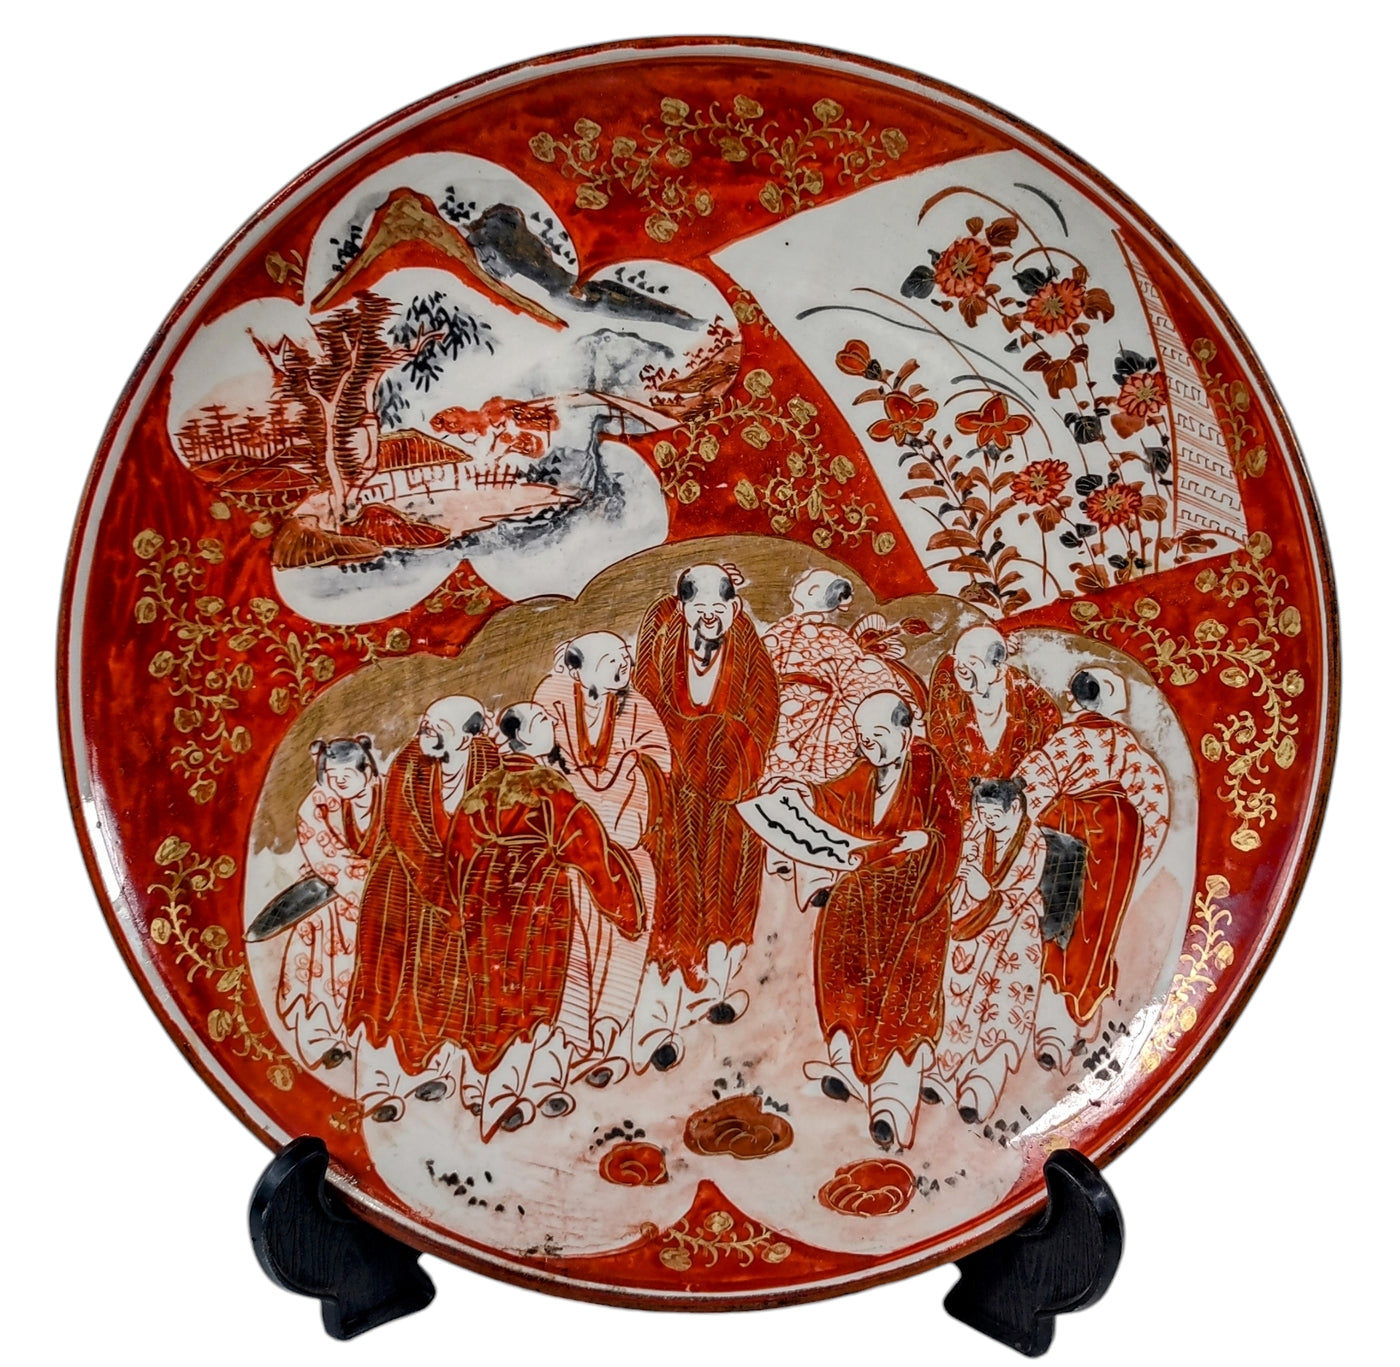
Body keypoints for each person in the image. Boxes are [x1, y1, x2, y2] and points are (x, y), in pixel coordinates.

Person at [449, 702, 646, 1138]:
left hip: (487, 902)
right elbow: (589, 849)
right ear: (521, 736)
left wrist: (462, 911)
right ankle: (537, 1082)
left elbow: (457, 857)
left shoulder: (480, 794)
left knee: (493, 988)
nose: (552, 723)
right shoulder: (549, 790)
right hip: (539, 897)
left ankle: (486, 1087)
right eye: (542, 721)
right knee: (548, 984)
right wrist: (622, 907)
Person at [631, 564, 779, 1067]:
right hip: (675, 796)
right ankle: (660, 1021)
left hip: (727, 795)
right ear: (683, 609)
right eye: (699, 609)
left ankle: (715, 990)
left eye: (720, 608)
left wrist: (729, 755)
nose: (710, 618)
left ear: (734, 609)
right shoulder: (662, 643)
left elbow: (763, 715)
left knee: (726, 894)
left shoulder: (748, 651)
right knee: (674, 899)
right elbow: (646, 707)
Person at [801, 691, 960, 1150]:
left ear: (905, 734)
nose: (868, 743)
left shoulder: (927, 768)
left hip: (913, 907)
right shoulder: (866, 771)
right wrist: (803, 794)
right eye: (862, 735)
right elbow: (833, 798)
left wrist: (925, 841)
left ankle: (893, 1108)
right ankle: (847, 1068)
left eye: (878, 734)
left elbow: (951, 828)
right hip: (861, 906)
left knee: (901, 1005)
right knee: (847, 981)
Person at [533, 632, 670, 1085]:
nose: (622, 665)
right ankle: (571, 1037)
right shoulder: (552, 698)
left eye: (624, 657)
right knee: (573, 936)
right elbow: (542, 765)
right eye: (610, 659)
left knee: (626, 937)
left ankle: (610, 1030)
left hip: (626, 846)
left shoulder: (637, 707)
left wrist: (626, 784)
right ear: (576, 669)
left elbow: (659, 766)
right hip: (572, 851)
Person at [344, 696, 501, 1081]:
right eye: (426, 723)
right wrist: (444, 896)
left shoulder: (488, 762)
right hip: (406, 881)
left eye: (438, 728)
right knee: (401, 969)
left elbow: (493, 827)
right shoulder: (410, 762)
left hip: (463, 884)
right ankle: (392, 1064)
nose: (425, 731)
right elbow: (405, 831)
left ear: (466, 737)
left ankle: (451, 1063)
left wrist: (471, 885)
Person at [1014, 667, 1170, 1028]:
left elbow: (1033, 781)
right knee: (1098, 916)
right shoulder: (1125, 742)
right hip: (1118, 834)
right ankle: (1083, 989)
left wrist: (1024, 832)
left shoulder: (1068, 738)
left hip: (1072, 828)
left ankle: (1059, 985)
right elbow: (1152, 795)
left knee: (1061, 909)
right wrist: (1141, 851)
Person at [931, 777, 1048, 1124]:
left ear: (1015, 808)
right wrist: (962, 884)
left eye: (994, 815)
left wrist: (987, 893)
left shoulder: (1033, 842)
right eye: (982, 814)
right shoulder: (976, 833)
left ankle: (982, 1084)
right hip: (971, 923)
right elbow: (956, 874)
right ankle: (944, 1072)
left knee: (999, 1008)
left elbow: (1018, 895)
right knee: (956, 994)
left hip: (1014, 929)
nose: (987, 821)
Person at [276, 736, 382, 1070]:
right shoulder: (321, 805)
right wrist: (360, 881)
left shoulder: (392, 797)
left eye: (347, 777)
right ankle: (324, 1035)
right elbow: (323, 855)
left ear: (367, 770)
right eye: (333, 778)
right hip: (339, 897)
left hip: (384, 896)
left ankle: (364, 1041)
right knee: (316, 928)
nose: (339, 784)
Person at [761, 569, 919, 785]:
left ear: (813, 591)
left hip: (814, 719)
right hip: (778, 708)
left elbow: (860, 676)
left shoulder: (832, 637)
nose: (798, 584)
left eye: (807, 581)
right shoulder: (787, 631)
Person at [925, 624, 1062, 813]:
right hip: (963, 803)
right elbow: (940, 740)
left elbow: (1051, 721)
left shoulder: (1020, 688)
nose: (962, 669)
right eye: (958, 660)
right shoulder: (948, 684)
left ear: (997, 668)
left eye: (973, 663)